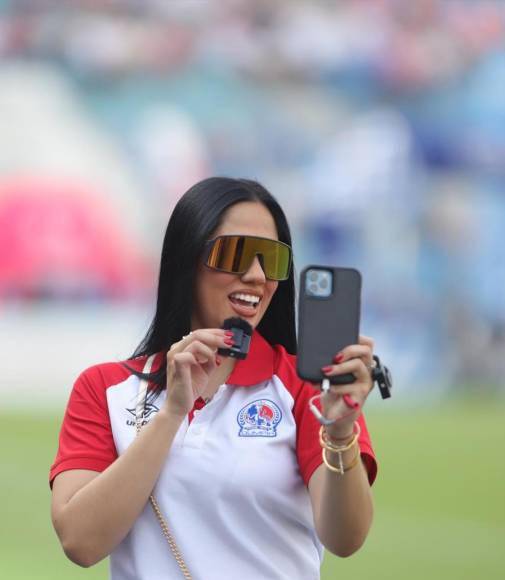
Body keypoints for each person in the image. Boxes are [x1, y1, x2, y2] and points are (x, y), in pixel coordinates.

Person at [50, 177, 378, 580]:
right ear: (187, 260)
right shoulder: (104, 388)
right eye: (238, 253)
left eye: (271, 259)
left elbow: (346, 539)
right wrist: (171, 413)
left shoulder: (308, 387)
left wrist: (341, 431)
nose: (257, 276)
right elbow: (81, 542)